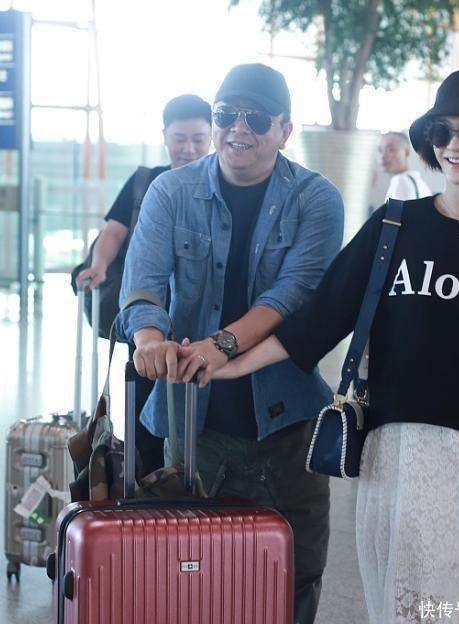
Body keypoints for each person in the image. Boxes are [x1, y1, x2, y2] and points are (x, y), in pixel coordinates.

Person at [207, 68, 459, 623]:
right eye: (441, 132)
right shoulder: (395, 226)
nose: (455, 145)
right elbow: (320, 318)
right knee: (409, 605)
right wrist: (233, 364)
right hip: (403, 454)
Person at [118, 63, 344, 623]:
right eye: (226, 115)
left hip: (289, 424)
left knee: (294, 574)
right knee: (187, 579)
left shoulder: (316, 199)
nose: (238, 128)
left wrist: (220, 345)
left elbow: (294, 292)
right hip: (191, 425)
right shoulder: (171, 191)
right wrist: (150, 339)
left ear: (284, 130)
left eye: (257, 118)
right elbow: (142, 284)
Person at [77, 94, 212, 475]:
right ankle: (146, 489)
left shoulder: (221, 186)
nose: (189, 149)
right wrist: (99, 266)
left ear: (212, 137)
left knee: (196, 417)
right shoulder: (145, 182)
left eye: (198, 139)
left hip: (200, 325)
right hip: (146, 323)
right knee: (143, 414)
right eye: (180, 138)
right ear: (165, 136)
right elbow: (114, 231)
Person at [378, 131, 430, 200]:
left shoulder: (401, 181)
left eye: (390, 149)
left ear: (406, 152)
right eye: (380, 150)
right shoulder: (420, 183)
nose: (383, 156)